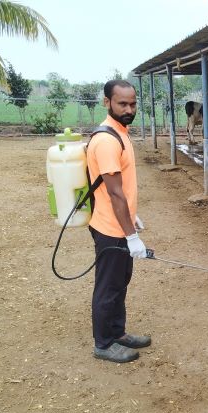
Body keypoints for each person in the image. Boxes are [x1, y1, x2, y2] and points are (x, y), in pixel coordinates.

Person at [86, 79, 150, 363]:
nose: (129, 109)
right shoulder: (106, 140)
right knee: (108, 286)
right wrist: (131, 235)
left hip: (119, 224)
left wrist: (132, 215)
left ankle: (117, 332)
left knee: (120, 281)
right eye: (122, 103)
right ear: (107, 102)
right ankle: (103, 343)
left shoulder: (121, 133)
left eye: (133, 103)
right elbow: (114, 193)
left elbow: (121, 189)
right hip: (110, 228)